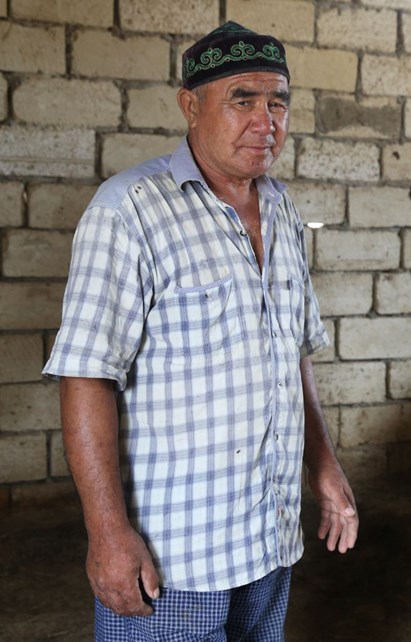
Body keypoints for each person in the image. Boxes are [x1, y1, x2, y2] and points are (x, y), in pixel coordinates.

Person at [43, 21, 359, 640]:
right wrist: (108, 533)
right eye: (243, 100)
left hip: (268, 536)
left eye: (279, 102)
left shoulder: (282, 208)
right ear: (191, 106)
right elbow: (86, 375)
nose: (266, 121)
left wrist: (322, 464)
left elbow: (292, 352)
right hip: (174, 559)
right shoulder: (129, 211)